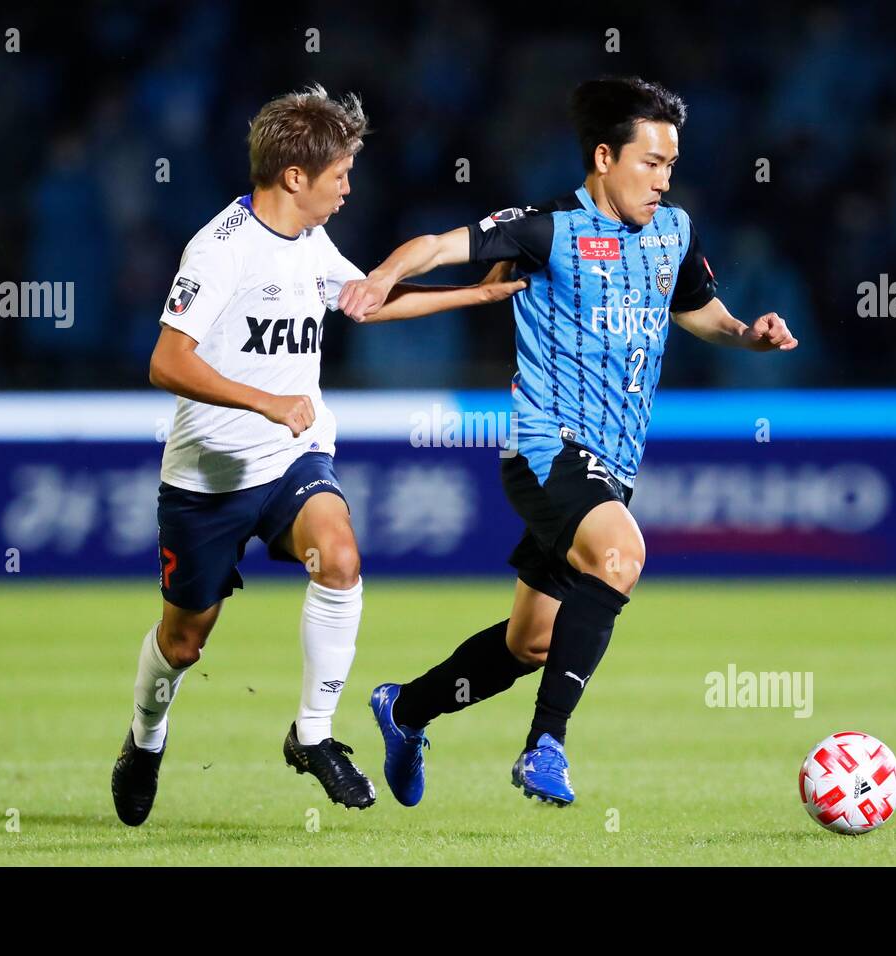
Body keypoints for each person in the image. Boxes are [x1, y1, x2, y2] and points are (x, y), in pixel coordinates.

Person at [341, 76, 798, 806]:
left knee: (532, 644)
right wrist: (384, 275)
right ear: (604, 157)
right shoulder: (549, 227)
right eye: (650, 163)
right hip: (545, 446)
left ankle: (404, 710)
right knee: (622, 555)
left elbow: (698, 310)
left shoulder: (674, 231)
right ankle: (544, 747)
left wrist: (748, 335)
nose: (663, 180)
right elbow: (439, 246)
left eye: (671, 165)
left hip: (614, 464)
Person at [111, 85, 526, 825]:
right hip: (209, 477)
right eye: (340, 173)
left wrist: (477, 298)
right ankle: (145, 738)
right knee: (184, 640)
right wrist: (266, 401)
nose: (348, 186)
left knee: (339, 557)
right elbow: (167, 361)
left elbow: (367, 299)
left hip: (294, 458)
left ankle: (313, 734)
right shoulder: (221, 248)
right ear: (296, 177)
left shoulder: (309, 241)